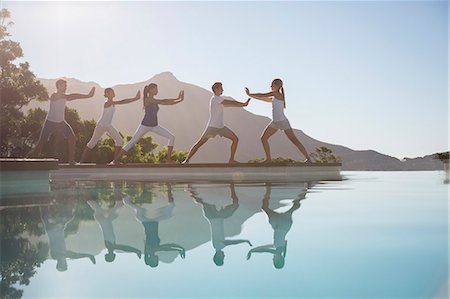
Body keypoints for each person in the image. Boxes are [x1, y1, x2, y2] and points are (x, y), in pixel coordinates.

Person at [113, 83, 183, 164]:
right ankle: (115, 160)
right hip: (145, 125)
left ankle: (168, 160)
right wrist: (177, 97)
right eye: (155, 89)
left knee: (171, 137)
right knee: (132, 141)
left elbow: (167, 103)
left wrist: (179, 100)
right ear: (150, 90)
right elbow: (163, 100)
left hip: (154, 126)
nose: (157, 91)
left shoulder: (155, 101)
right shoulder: (147, 99)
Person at [245, 79, 311, 163]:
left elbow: (263, 95)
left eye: (271, 85)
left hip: (283, 121)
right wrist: (250, 96)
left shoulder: (276, 94)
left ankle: (308, 159)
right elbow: (263, 98)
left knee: (294, 140)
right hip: (275, 122)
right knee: (263, 138)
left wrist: (249, 93)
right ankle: (268, 159)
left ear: (276, 86)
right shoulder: (275, 97)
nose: (270, 87)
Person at [182, 82, 250, 164]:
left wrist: (243, 105)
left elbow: (231, 104)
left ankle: (231, 160)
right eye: (221, 88)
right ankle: (186, 160)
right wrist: (243, 104)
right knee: (199, 144)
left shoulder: (219, 100)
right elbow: (230, 102)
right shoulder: (215, 98)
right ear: (216, 89)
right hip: (212, 128)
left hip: (221, 128)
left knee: (235, 139)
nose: (223, 90)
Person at [31, 79, 95, 164]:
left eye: (66, 85)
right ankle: (32, 160)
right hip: (50, 122)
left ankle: (71, 160)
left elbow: (71, 97)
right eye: (63, 85)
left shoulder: (64, 96)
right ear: (58, 86)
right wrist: (88, 95)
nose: (65, 87)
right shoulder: (54, 95)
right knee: (42, 140)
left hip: (61, 122)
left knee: (72, 138)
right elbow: (70, 96)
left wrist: (87, 96)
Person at [123, 184, 185, 267]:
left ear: (152, 259)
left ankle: (168, 189)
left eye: (156, 260)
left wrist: (180, 248)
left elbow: (167, 247)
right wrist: (180, 248)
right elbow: (167, 247)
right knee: (168, 211)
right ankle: (168, 190)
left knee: (170, 207)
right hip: (150, 222)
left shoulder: (152, 250)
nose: (157, 259)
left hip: (147, 222)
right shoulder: (151, 251)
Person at [189, 183, 252, 266]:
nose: (224, 255)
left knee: (204, 202)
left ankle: (190, 191)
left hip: (214, 217)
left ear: (218, 256)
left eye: (222, 257)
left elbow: (231, 242)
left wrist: (245, 241)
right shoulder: (216, 246)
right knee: (234, 205)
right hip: (218, 217)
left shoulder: (219, 246)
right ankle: (231, 187)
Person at [246, 183, 307, 269]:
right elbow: (264, 250)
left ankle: (305, 189)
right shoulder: (277, 251)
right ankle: (268, 188)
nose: (272, 258)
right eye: (274, 260)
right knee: (265, 207)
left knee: (294, 205)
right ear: (277, 260)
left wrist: (284, 254)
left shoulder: (280, 249)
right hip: (279, 225)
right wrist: (252, 251)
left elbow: (272, 245)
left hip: (285, 226)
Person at [80, 88, 140, 163]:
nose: (113, 93)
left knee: (119, 141)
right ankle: (81, 162)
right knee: (92, 143)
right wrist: (135, 98)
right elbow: (122, 101)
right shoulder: (108, 103)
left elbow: (122, 102)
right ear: (107, 94)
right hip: (101, 125)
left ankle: (115, 161)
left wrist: (135, 98)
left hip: (108, 126)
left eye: (113, 91)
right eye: (111, 92)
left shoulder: (112, 103)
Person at [87, 183, 142, 262]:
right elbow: (122, 247)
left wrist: (135, 250)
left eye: (112, 256)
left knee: (118, 205)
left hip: (104, 220)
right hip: (105, 220)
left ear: (111, 255)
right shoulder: (110, 246)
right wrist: (135, 250)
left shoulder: (110, 247)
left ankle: (114, 188)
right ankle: (114, 188)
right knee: (115, 206)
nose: (113, 254)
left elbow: (123, 248)